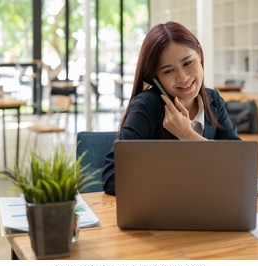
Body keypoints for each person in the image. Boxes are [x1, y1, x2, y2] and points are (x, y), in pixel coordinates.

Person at [102, 21, 240, 195]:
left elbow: (240, 165)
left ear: (199, 55)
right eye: (168, 71)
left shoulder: (213, 101)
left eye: (188, 63)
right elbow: (112, 177)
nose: (183, 78)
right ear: (155, 78)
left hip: (210, 208)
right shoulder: (146, 107)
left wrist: (188, 135)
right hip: (161, 214)